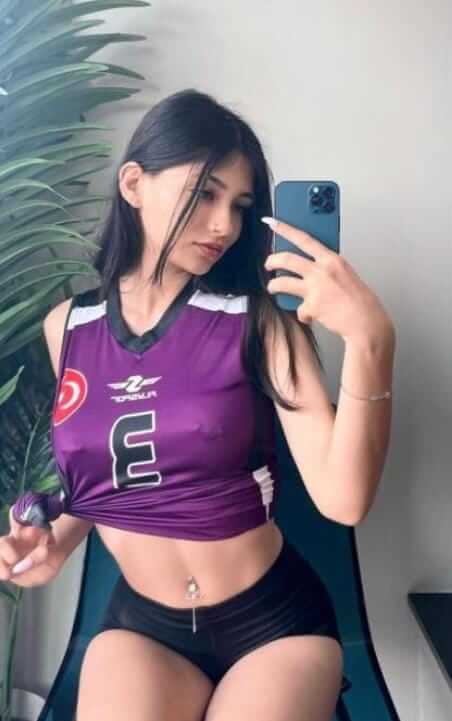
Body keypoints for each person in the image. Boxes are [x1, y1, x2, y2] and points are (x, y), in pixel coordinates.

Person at [0, 89, 396, 721]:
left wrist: (372, 342)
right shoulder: (67, 327)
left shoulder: (258, 321)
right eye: (205, 194)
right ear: (133, 183)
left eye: (239, 206)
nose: (225, 226)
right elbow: (108, 477)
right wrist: (57, 542)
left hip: (273, 625)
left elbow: (343, 500)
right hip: (144, 628)